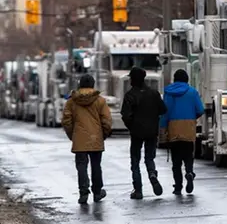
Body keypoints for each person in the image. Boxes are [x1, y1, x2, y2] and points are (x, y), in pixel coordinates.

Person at [62, 74, 112, 205]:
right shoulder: (100, 101)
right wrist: (103, 135)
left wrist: (72, 135)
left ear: (80, 85)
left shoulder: (72, 101)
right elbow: (106, 121)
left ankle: (83, 192)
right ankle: (97, 192)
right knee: (96, 165)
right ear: (93, 85)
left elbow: (66, 121)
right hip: (96, 137)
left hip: (79, 138)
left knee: (81, 166)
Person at [121, 67, 167, 200]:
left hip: (136, 132)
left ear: (133, 79)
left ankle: (138, 190)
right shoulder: (153, 93)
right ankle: (152, 174)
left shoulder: (130, 95)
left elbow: (125, 115)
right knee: (149, 158)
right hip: (152, 131)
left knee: (135, 161)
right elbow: (163, 109)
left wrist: (132, 126)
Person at [160, 69, 204, 195]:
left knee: (176, 161)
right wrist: (191, 118)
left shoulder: (168, 92)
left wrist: (162, 130)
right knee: (188, 156)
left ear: (174, 79)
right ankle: (189, 172)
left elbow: (164, 113)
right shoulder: (192, 92)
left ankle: (178, 187)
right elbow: (200, 109)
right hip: (188, 129)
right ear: (187, 79)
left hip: (173, 129)